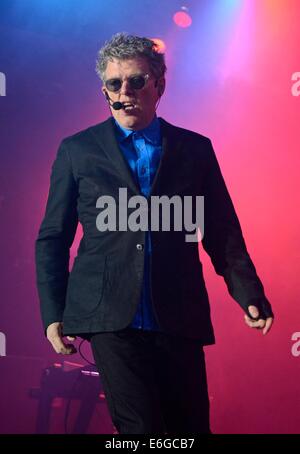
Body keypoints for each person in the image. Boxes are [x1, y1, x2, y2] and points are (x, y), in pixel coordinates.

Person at [35, 33, 274, 434]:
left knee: (190, 430)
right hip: (109, 318)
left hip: (178, 315)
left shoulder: (195, 149)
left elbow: (221, 230)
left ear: (159, 85)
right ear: (104, 90)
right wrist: (53, 313)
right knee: (142, 431)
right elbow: (53, 238)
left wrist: (248, 292)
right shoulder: (78, 150)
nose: (124, 91)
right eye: (114, 83)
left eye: (136, 81)